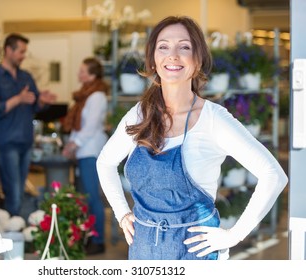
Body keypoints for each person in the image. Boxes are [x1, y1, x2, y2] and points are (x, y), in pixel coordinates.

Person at [96, 15, 288, 260]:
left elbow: (274, 175)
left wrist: (233, 235)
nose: (172, 55)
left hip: (195, 255)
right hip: (143, 251)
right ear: (153, 60)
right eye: (163, 47)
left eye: (184, 47)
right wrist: (122, 212)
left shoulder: (213, 119)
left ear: (198, 60)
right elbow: (105, 162)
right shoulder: (139, 114)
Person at [0, 33, 56, 217]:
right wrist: (18, 99)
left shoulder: (26, 77)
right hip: (7, 143)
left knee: (20, 192)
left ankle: (16, 231)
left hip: (26, 141)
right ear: (8, 50)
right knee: (14, 193)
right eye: (21, 52)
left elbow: (35, 105)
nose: (23, 56)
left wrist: (42, 101)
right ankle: (12, 238)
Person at [62, 57, 109, 254]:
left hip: (91, 151)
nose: (78, 74)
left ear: (92, 74)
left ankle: (98, 241)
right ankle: (87, 237)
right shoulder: (85, 96)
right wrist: (74, 145)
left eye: (82, 71)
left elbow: (89, 126)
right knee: (84, 198)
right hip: (84, 151)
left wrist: (73, 144)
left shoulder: (97, 96)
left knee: (92, 197)